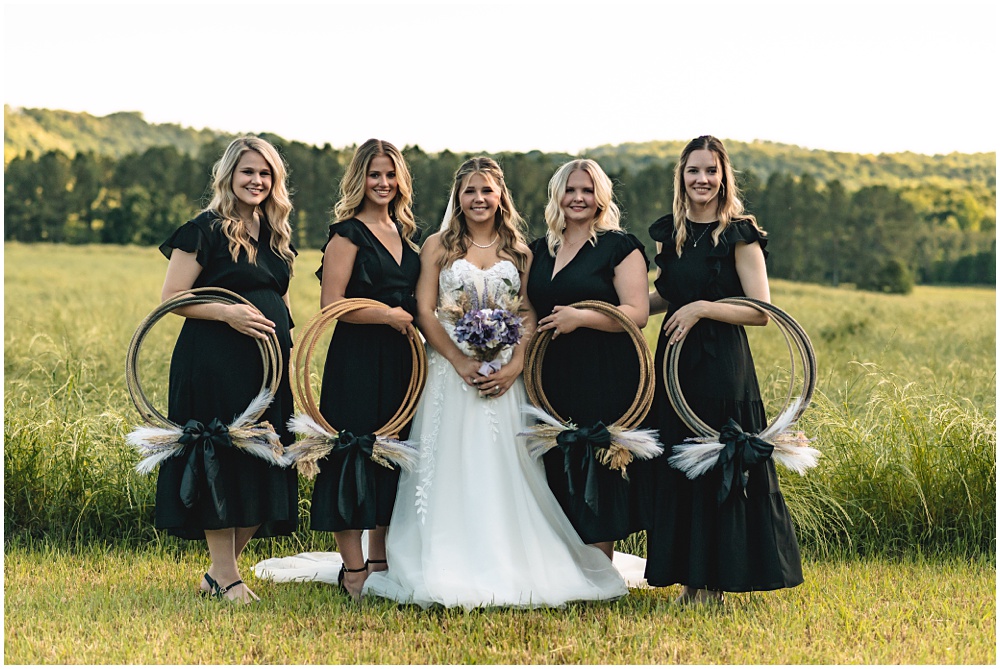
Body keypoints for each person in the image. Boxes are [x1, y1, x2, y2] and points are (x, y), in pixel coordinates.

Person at [362, 157, 628, 608]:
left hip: (505, 376)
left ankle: (512, 556)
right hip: (450, 374)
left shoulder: (520, 251)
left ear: (500, 196)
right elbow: (425, 310)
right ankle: (438, 554)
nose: (479, 199)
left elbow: (527, 311)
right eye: (470, 191)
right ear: (458, 198)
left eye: (487, 190)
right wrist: (459, 359)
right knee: (447, 463)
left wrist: (515, 363)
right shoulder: (437, 247)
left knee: (507, 466)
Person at [640, 135, 803, 603]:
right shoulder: (670, 232)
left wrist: (704, 309)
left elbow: (761, 311)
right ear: (682, 176)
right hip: (674, 365)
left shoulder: (739, 233)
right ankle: (689, 580)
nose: (702, 180)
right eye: (694, 171)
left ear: (723, 176)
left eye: (711, 171)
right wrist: (620, 310)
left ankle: (715, 583)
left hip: (721, 365)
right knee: (681, 465)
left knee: (717, 464)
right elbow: (668, 296)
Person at [156, 136, 298, 604]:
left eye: (265, 174)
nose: (256, 181)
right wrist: (227, 313)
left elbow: (280, 299)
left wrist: (289, 351)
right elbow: (173, 298)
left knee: (266, 459)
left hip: (267, 367)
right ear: (229, 176)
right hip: (214, 361)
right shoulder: (205, 228)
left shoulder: (275, 232)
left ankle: (219, 573)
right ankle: (227, 576)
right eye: (248, 172)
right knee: (221, 457)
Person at [311, 139, 421, 600]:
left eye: (391, 175)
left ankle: (380, 560)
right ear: (360, 178)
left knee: (389, 453)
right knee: (352, 455)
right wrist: (388, 315)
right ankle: (352, 569)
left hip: (401, 361)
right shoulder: (346, 234)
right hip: (356, 357)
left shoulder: (406, 234)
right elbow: (330, 305)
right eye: (375, 175)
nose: (383, 183)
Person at [525, 159, 650, 560]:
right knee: (558, 459)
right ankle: (563, 566)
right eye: (570, 189)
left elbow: (636, 312)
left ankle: (599, 567)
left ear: (601, 197)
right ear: (557, 195)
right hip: (552, 373)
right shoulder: (538, 251)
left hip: (604, 369)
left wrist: (581, 318)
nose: (578, 198)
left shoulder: (620, 246)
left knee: (597, 464)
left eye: (587, 190)